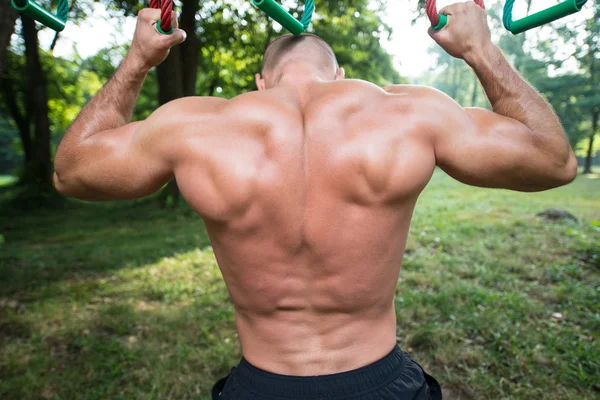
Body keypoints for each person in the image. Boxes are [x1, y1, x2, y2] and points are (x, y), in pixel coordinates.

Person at [53, 2, 577, 399]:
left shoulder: (195, 126)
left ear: (261, 81)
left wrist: (140, 57)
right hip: (381, 381)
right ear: (339, 76)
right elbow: (553, 161)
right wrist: (478, 49)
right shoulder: (408, 113)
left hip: (262, 385)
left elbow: (72, 171)